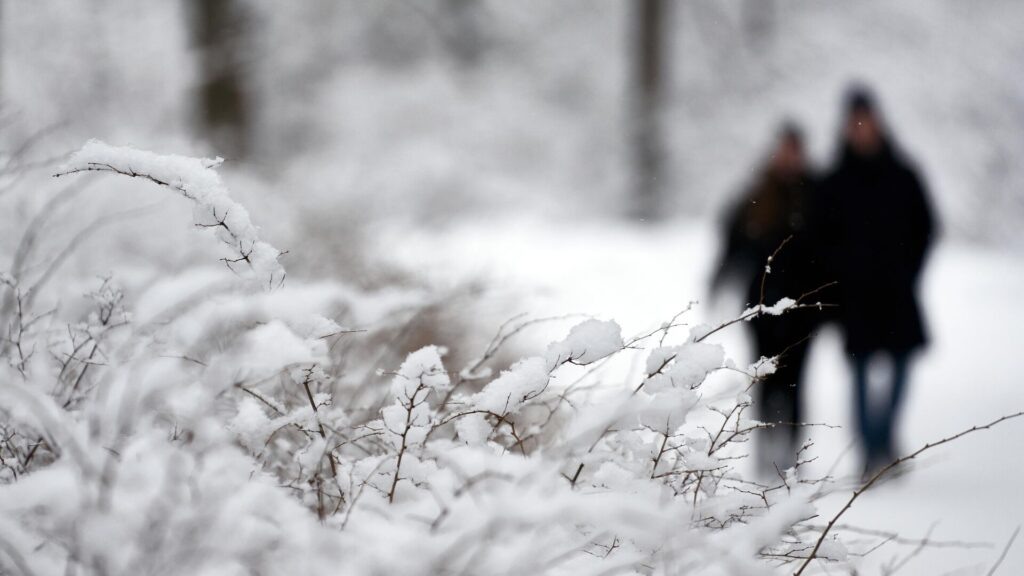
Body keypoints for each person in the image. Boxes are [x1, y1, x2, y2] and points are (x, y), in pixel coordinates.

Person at [819, 86, 936, 476]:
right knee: (859, 372)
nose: (862, 128)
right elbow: (820, 238)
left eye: (867, 120)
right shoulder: (834, 181)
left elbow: (927, 226)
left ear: (878, 122)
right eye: (855, 121)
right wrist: (839, 274)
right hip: (855, 296)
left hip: (899, 291)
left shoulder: (903, 174)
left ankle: (886, 440)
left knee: (903, 365)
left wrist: (909, 269)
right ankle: (870, 454)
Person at [713, 123, 827, 471]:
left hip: (804, 307)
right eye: (784, 149)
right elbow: (732, 242)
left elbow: (831, 249)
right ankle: (764, 452)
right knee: (765, 379)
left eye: (795, 149)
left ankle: (792, 455)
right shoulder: (757, 193)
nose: (789, 156)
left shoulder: (816, 194)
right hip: (761, 305)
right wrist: (721, 280)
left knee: (796, 381)